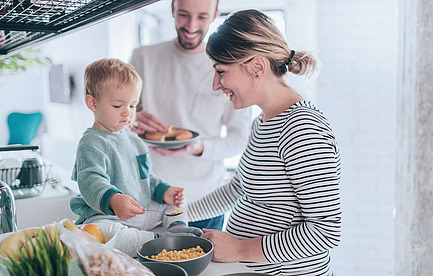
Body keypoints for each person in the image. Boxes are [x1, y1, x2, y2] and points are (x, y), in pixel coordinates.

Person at [188, 9, 342, 275]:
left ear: (257, 67)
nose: (216, 84)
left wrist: (239, 249)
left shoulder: (302, 128)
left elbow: (325, 231)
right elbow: (237, 188)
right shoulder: (262, 122)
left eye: (221, 71)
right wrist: (180, 216)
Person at [129, 0, 252, 230]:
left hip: (205, 202)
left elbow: (239, 138)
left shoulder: (229, 67)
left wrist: (200, 148)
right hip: (149, 199)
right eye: (184, 14)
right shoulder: (142, 57)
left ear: (215, 14)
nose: (192, 25)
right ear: (172, 10)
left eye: (202, 17)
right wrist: (130, 119)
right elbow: (117, 118)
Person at [69, 58, 201, 257]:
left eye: (132, 106)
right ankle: (158, 242)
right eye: (117, 106)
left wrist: (164, 191)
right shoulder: (91, 142)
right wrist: (113, 200)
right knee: (107, 234)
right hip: (107, 216)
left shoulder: (135, 140)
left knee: (174, 205)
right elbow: (90, 180)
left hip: (141, 211)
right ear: (92, 102)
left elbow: (146, 177)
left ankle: (176, 230)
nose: (127, 113)